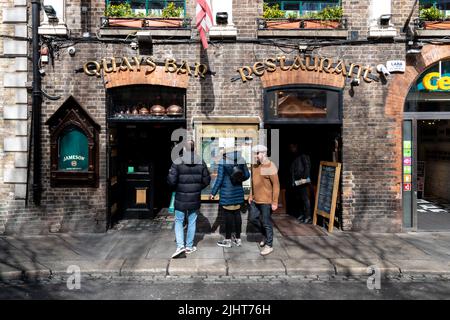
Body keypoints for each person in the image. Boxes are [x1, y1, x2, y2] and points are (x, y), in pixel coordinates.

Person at [167, 140, 211, 258]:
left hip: (181, 197)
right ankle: (189, 246)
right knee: (192, 222)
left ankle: (180, 245)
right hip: (194, 197)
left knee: (179, 221)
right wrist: (197, 188)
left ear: (184, 149)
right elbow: (207, 180)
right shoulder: (201, 162)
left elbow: (171, 181)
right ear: (194, 149)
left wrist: (178, 187)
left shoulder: (177, 161)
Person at [210, 147, 250, 248]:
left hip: (227, 193)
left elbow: (219, 179)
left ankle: (228, 240)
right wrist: (239, 178)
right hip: (238, 192)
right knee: (237, 214)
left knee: (228, 216)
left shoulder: (223, 161)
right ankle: (238, 239)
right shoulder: (241, 160)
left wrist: (213, 193)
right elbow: (247, 175)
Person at [248, 145, 280, 256]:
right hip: (255, 200)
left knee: (266, 222)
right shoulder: (254, 166)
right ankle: (265, 235)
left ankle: (269, 245)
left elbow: (276, 185)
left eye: (257, 154)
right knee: (252, 219)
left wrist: (275, 201)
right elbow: (253, 181)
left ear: (263, 153)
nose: (255, 156)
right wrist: (250, 195)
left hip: (266, 200)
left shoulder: (270, 166)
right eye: (254, 154)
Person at [286, 143, 312, 224]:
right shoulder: (294, 156)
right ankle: (302, 214)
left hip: (302, 181)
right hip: (297, 181)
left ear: (296, 147)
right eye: (290, 147)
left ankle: (308, 216)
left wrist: (304, 178)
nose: (291, 149)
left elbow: (307, 167)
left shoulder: (303, 156)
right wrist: (293, 180)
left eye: (292, 147)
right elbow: (292, 170)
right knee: (298, 198)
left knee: (305, 198)